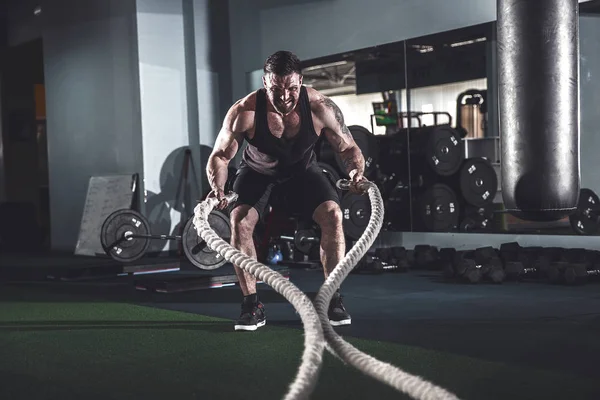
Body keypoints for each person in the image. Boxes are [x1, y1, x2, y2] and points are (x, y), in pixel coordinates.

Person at [206, 50, 367, 331]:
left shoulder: (319, 106)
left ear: (301, 82)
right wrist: (217, 188)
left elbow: (348, 147)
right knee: (239, 221)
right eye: (277, 89)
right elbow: (220, 155)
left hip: (303, 172)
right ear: (266, 83)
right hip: (257, 173)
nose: (284, 97)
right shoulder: (244, 111)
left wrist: (355, 172)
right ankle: (251, 304)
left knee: (334, 215)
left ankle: (333, 297)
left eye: (292, 88)